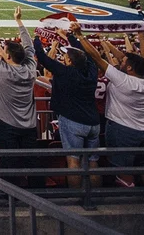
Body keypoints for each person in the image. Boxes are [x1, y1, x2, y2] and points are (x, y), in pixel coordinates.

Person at [75, 26, 144, 187]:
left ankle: (125, 200)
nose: (120, 61)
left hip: (124, 130)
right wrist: (141, 35)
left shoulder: (123, 80)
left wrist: (80, 36)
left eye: (123, 62)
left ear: (129, 68)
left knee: (122, 170)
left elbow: (96, 57)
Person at [0, 6, 40, 184]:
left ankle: (10, 195)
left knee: (9, 162)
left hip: (6, 124)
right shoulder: (31, 69)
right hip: (29, 124)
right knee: (32, 163)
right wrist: (19, 21)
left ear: (9, 57)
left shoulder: (2, 70)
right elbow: (29, 46)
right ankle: (37, 192)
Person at [33, 29, 100, 187]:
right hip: (93, 122)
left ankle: (77, 196)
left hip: (72, 121)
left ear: (69, 61)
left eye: (65, 57)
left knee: (73, 161)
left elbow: (42, 57)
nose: (63, 58)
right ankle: (96, 194)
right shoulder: (92, 71)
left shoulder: (65, 72)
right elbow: (87, 54)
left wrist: (36, 38)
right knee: (93, 162)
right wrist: (70, 37)